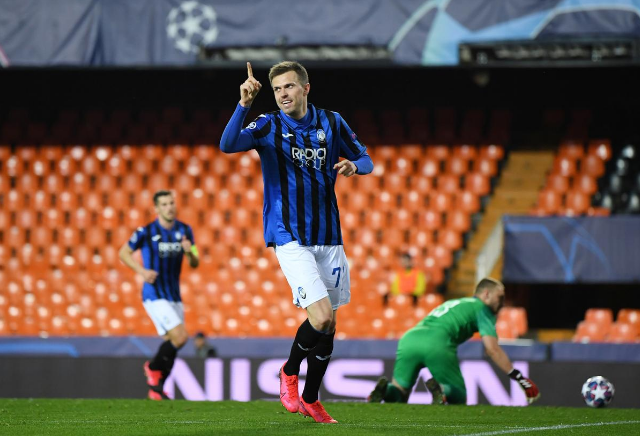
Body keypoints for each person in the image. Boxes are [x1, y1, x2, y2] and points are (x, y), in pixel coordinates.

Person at [220, 61, 374, 423]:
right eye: (277, 89)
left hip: (329, 235)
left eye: (288, 86)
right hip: (288, 234)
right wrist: (244, 104)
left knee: (329, 326)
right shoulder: (268, 124)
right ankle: (289, 371)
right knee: (320, 317)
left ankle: (311, 398)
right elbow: (228, 145)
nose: (282, 94)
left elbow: (366, 158)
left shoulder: (332, 122)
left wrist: (354, 166)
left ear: (306, 88)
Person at [368, 278, 540, 405]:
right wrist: (519, 378)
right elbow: (492, 349)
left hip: (410, 339)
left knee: (399, 393)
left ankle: (385, 390)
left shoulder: (457, 302)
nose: (501, 303)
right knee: (459, 396)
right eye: (500, 298)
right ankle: (443, 390)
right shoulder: (483, 309)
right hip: (436, 342)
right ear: (486, 294)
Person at [118, 190, 199, 400]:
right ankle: (153, 368)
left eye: (171, 203)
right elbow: (123, 253)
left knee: (173, 342)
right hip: (154, 293)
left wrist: (189, 252)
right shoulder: (146, 231)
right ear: (156, 208)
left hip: (174, 295)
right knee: (180, 337)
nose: (169, 207)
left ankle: (157, 390)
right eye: (164, 204)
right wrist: (142, 271)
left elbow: (195, 262)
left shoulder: (185, 230)